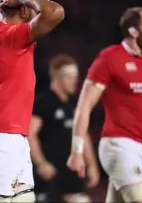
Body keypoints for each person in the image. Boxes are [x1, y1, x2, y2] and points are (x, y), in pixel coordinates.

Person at [67, 6, 142, 203]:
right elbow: (85, 105)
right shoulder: (109, 59)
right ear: (133, 32)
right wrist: (77, 150)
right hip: (118, 146)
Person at [0, 0, 65, 203]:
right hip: (4, 138)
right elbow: (56, 12)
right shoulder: (12, 36)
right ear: (26, 10)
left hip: (11, 136)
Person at [30, 54, 99, 203]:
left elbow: (83, 135)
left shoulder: (76, 104)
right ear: (58, 77)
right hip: (49, 175)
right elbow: (30, 134)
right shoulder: (43, 102)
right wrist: (40, 163)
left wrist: (92, 165)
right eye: (70, 76)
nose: (75, 81)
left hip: (72, 173)